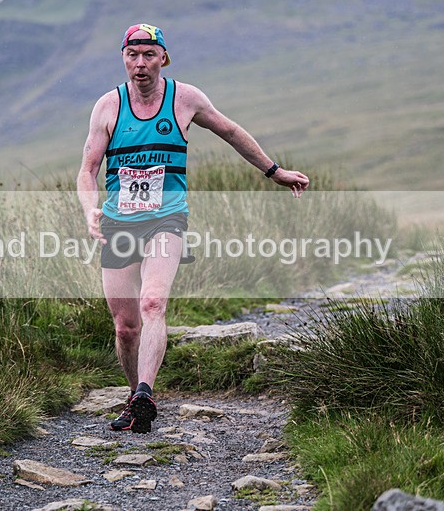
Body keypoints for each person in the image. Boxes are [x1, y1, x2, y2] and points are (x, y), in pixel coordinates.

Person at [77, 23, 309, 433]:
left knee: (153, 304)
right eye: (133, 55)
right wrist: (90, 209)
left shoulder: (185, 99)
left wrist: (274, 171)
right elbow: (88, 169)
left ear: (163, 57)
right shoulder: (107, 106)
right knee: (125, 325)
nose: (141, 63)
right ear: (123, 58)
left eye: (150, 55)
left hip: (167, 218)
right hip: (118, 222)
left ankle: (146, 390)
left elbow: (232, 132)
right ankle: (136, 398)